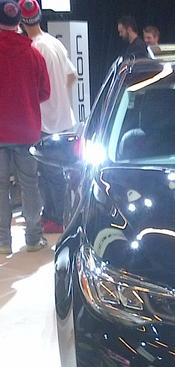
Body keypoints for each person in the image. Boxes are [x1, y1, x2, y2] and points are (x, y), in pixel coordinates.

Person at [19, 0, 76, 234]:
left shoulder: (32, 49)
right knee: (59, 172)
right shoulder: (55, 43)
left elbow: (32, 88)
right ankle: (55, 214)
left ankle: (56, 217)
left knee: (48, 173)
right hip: (64, 117)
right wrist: (62, 97)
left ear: (21, 21)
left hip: (45, 119)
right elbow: (72, 75)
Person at [0, 0, 50, 255]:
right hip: (26, 130)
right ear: (19, 21)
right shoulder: (34, 54)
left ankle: (2, 241)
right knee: (30, 185)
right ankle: (32, 238)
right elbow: (45, 92)